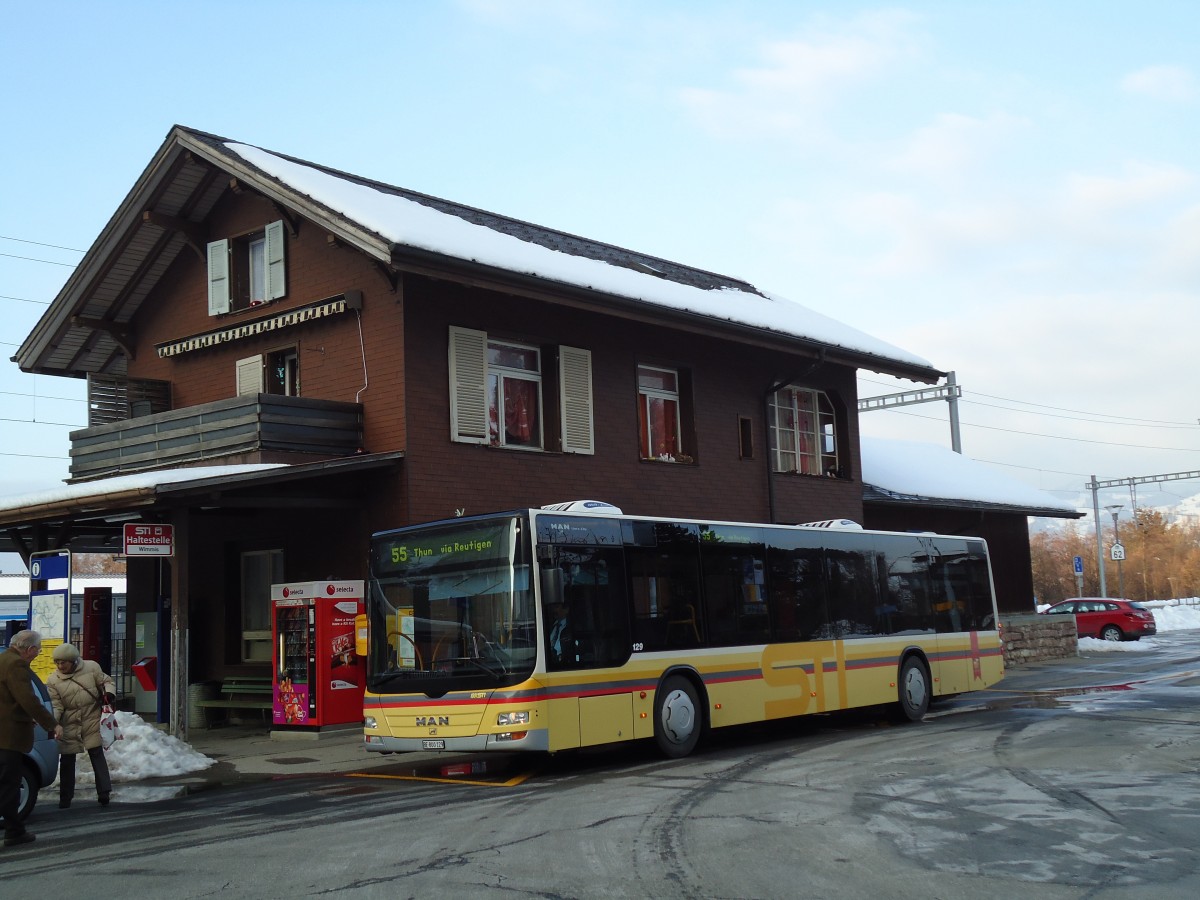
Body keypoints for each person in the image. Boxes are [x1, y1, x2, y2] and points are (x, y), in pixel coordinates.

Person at [0, 630, 63, 847]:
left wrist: (23, 716)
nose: (37, 654)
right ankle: (14, 832)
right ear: (28, 649)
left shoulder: (2, 660)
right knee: (9, 784)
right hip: (8, 736)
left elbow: (8, 700)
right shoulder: (16, 665)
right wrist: (51, 723)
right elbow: (28, 699)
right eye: (37, 650)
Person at [46, 643, 115, 809]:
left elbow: (106, 681)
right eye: (57, 663)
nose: (60, 666)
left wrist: (109, 694)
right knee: (67, 760)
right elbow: (56, 705)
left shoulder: (91, 667)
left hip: (91, 717)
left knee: (96, 753)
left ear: (73, 660)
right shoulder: (53, 680)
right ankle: (65, 798)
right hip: (69, 722)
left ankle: (104, 793)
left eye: (64, 662)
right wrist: (53, 723)